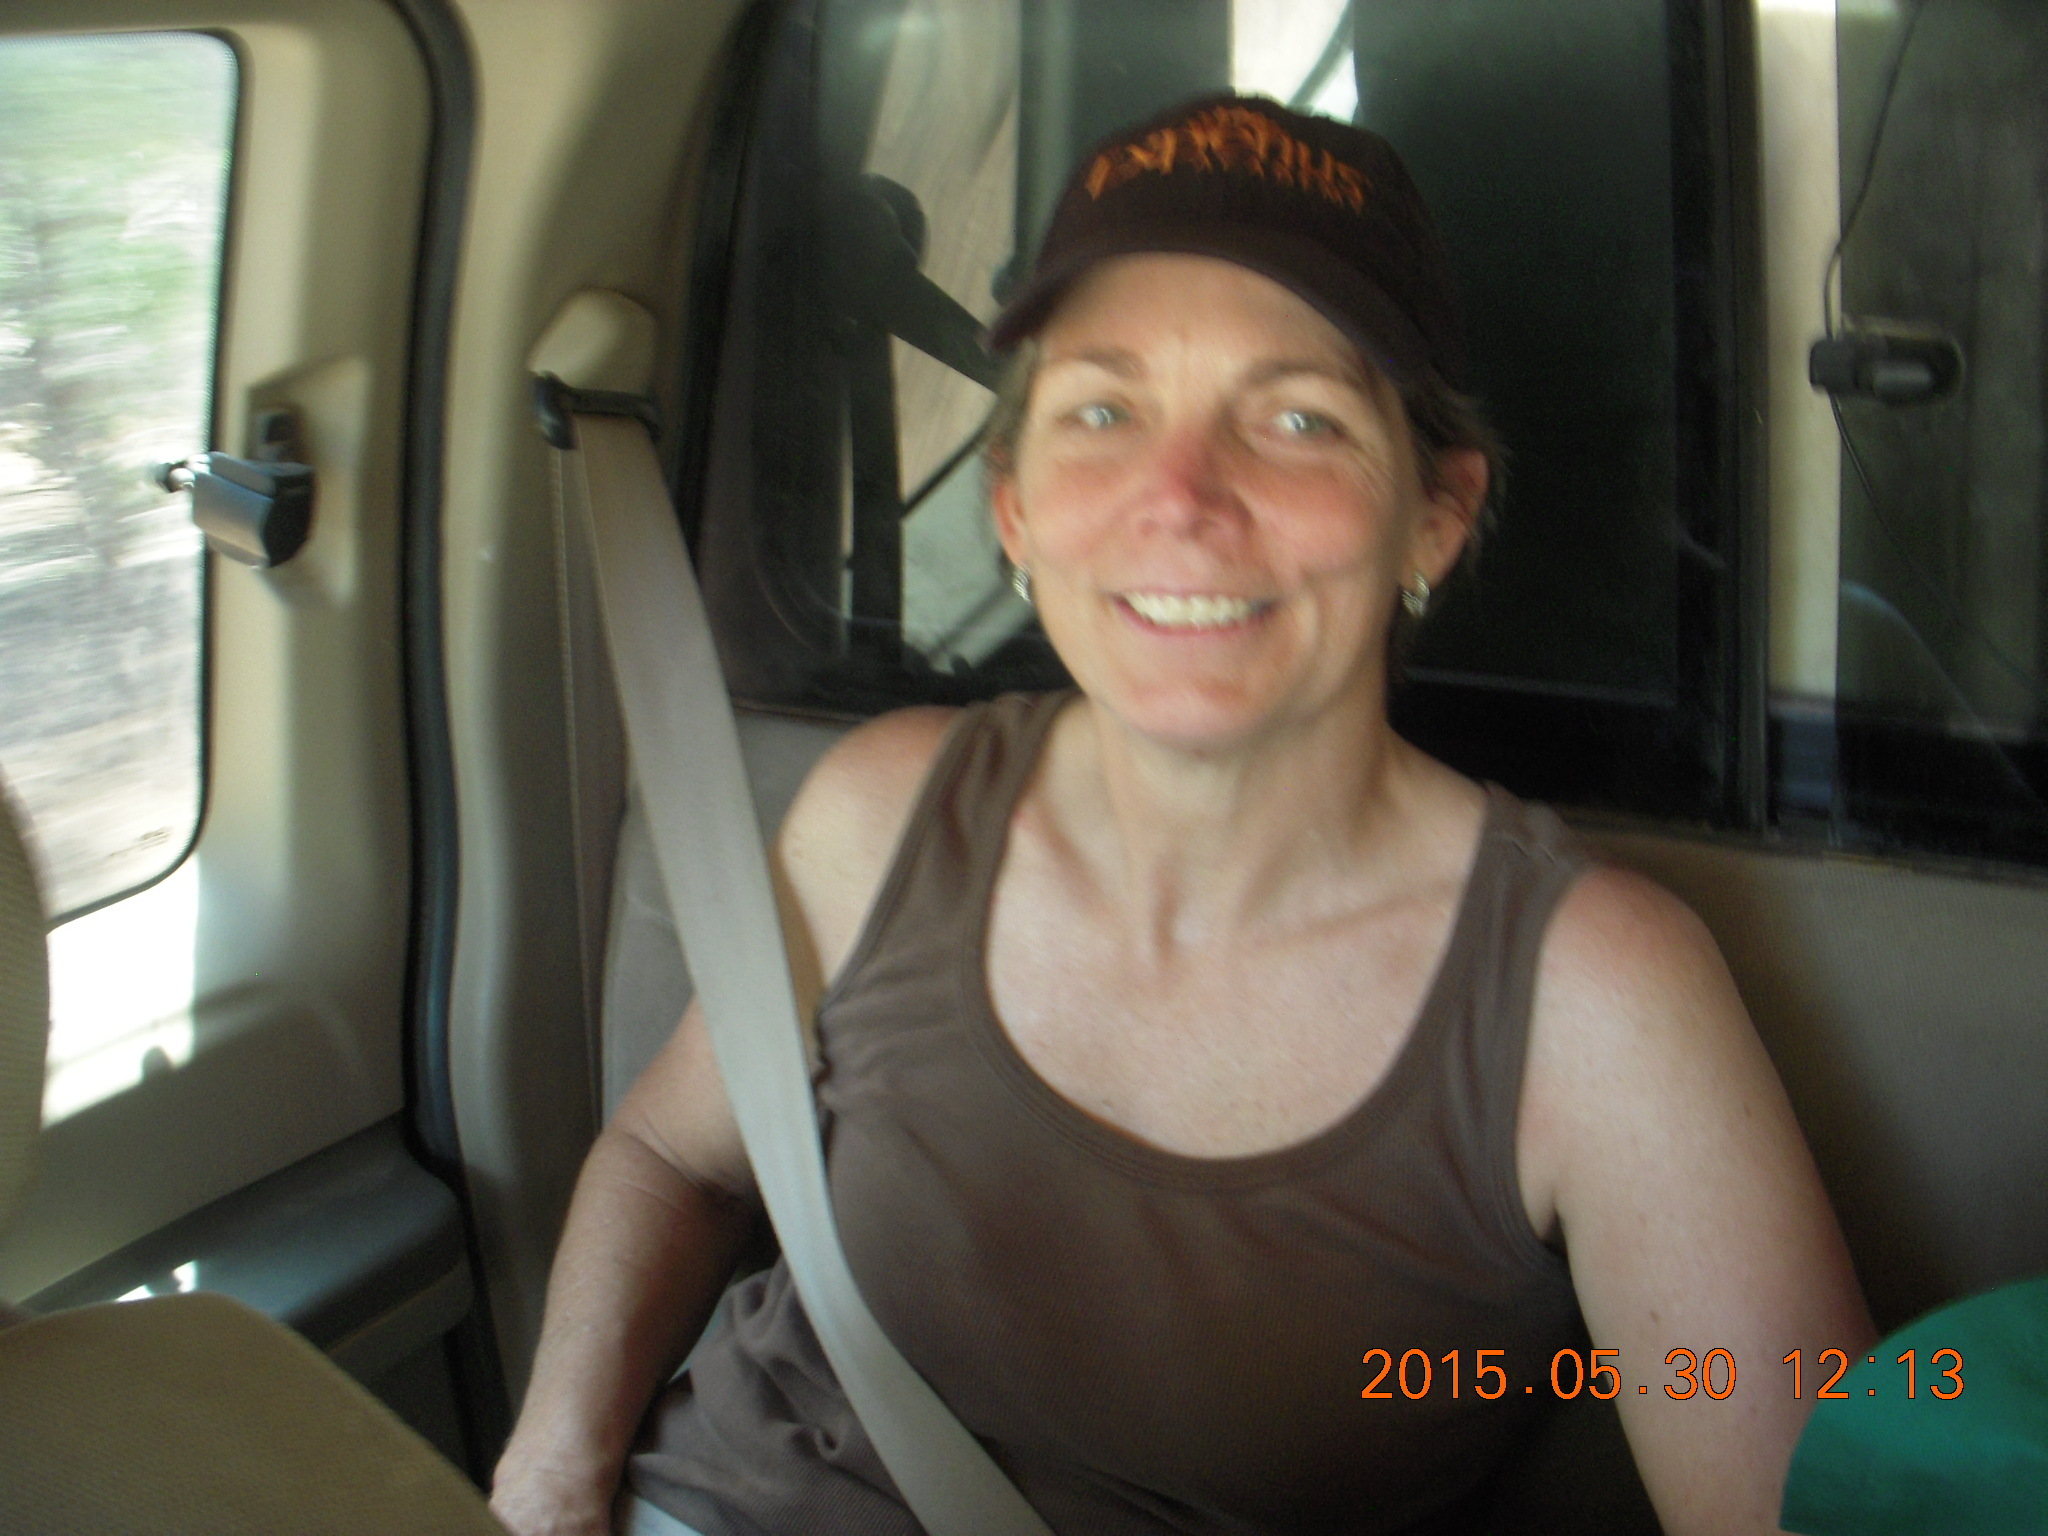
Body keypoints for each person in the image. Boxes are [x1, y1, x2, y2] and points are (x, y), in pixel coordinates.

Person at [490, 94, 1873, 1536]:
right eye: (1104, 410)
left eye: (1297, 418)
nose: (1182, 498)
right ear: (1015, 506)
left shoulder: (1593, 996)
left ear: (1436, 514)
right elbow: (675, 1158)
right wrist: (547, 1481)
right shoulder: (884, 814)